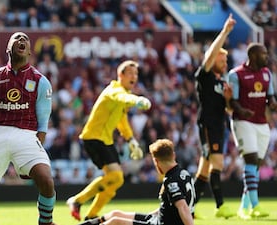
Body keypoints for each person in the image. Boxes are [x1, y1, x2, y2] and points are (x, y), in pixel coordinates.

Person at [0, 31, 57, 225]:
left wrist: (35, 149)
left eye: (25, 39)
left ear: (30, 51)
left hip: (26, 135)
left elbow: (42, 124)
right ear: (8, 48)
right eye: (17, 38)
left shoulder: (41, 82)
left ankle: (46, 222)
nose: (22, 40)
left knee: (47, 182)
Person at [66, 60, 152, 221]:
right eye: (130, 73)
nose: (134, 77)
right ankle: (77, 201)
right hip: (93, 137)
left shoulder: (122, 96)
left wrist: (130, 139)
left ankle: (91, 216)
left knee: (117, 179)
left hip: (104, 140)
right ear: (120, 75)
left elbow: (122, 120)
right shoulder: (114, 90)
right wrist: (137, 100)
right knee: (116, 176)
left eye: (136, 74)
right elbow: (121, 97)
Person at [78, 138, 195, 225]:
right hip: (159, 219)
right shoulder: (183, 173)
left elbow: (183, 207)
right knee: (115, 214)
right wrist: (151, 214)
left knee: (116, 221)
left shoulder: (171, 181)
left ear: (156, 161)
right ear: (173, 155)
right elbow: (171, 207)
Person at [193, 14, 236, 219]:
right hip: (208, 125)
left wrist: (228, 99)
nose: (225, 62)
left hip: (219, 125)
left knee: (204, 170)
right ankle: (220, 206)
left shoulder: (222, 83)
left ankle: (189, 207)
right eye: (223, 58)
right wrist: (225, 31)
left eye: (226, 59)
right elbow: (209, 56)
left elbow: (229, 110)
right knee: (217, 164)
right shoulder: (205, 76)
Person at [228, 42, 277, 220]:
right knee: (250, 159)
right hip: (243, 121)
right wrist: (241, 110)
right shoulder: (236, 75)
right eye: (264, 54)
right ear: (254, 56)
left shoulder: (266, 73)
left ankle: (244, 206)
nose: (267, 57)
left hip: (261, 123)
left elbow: (270, 95)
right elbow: (232, 100)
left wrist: (272, 102)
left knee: (256, 164)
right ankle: (255, 206)